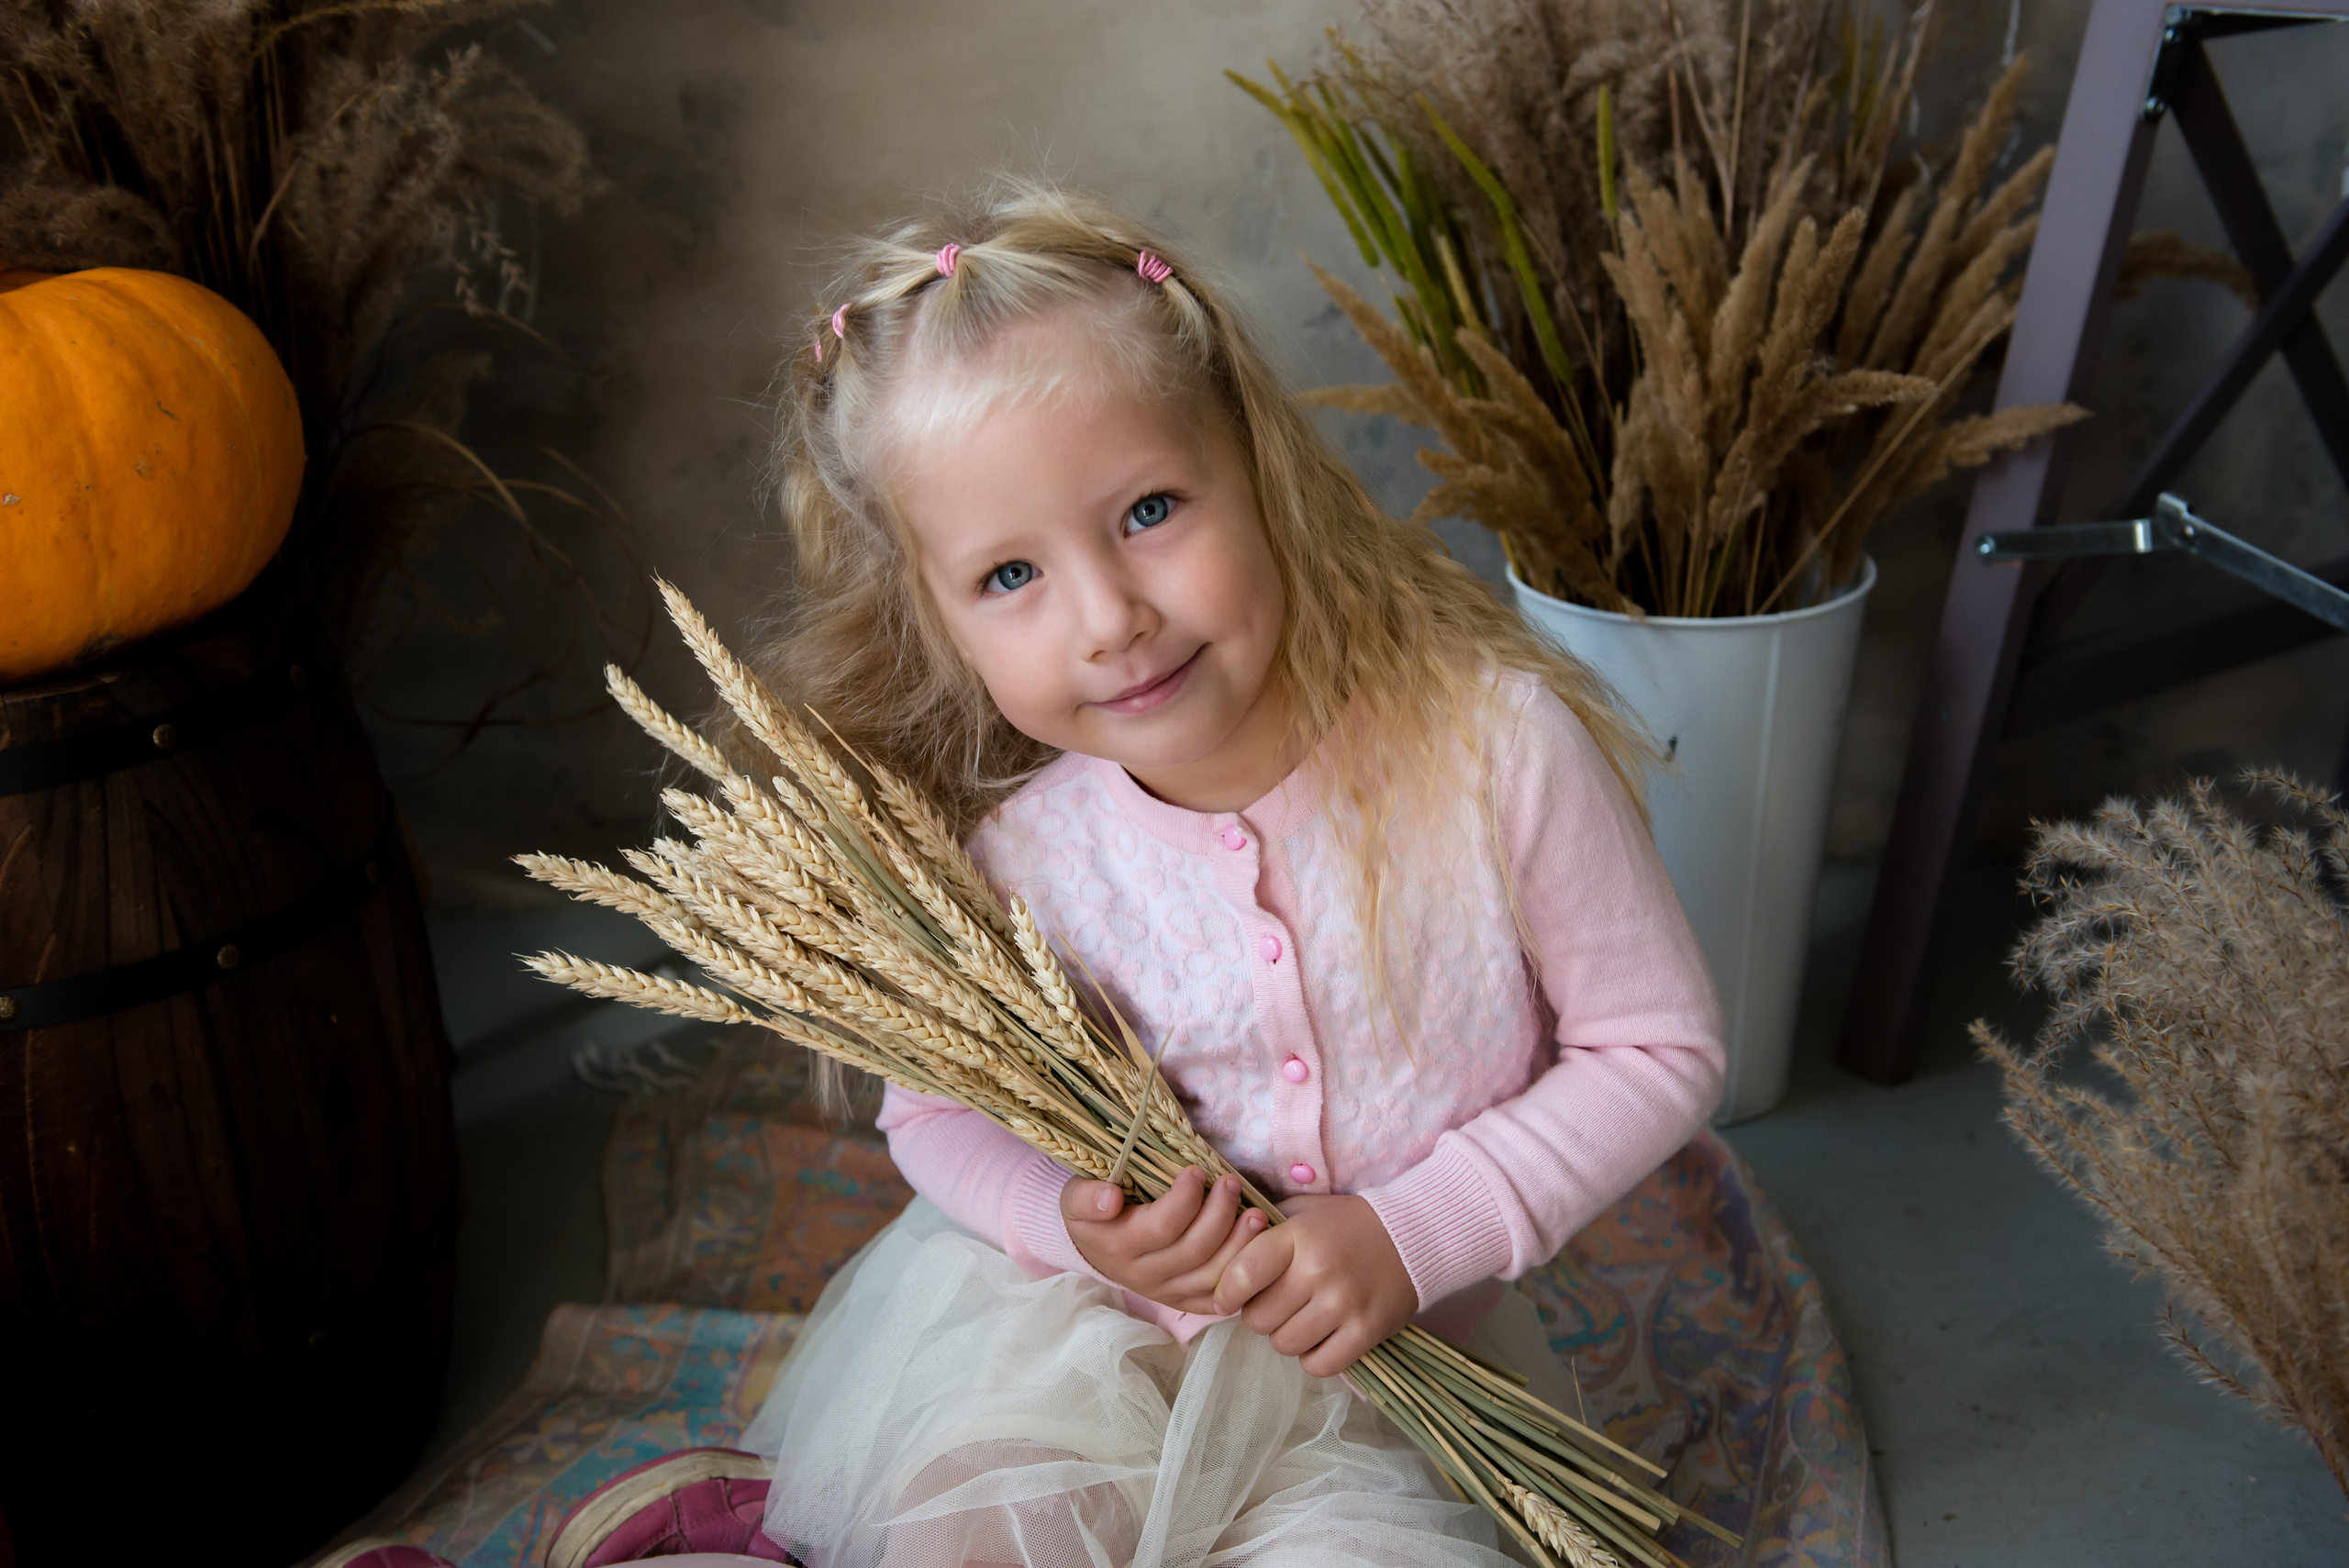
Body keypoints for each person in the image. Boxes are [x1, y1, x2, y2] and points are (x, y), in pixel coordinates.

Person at [727, 180, 1725, 1568]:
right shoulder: (1021, 853)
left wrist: (1408, 1229)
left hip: (1377, 1370)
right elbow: (934, 1118)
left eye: (1148, 509)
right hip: (1080, 1342)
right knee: (977, 1526)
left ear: (1258, 462)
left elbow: (1658, 1044)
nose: (1111, 618)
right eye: (1010, 576)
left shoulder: (1493, 746)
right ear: (936, 618)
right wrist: (1071, 1229)